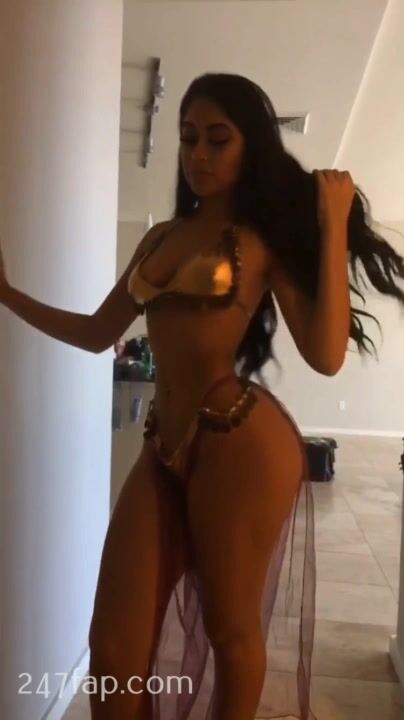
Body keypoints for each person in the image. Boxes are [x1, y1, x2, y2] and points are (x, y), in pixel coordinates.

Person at [1, 72, 404, 720]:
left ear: (252, 147)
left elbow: (327, 357)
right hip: (162, 445)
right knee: (113, 647)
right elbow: (97, 333)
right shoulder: (159, 238)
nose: (198, 154)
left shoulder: (261, 242)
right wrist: (8, 295)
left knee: (231, 632)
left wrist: (331, 225)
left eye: (218, 139)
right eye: (189, 137)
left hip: (239, 442)